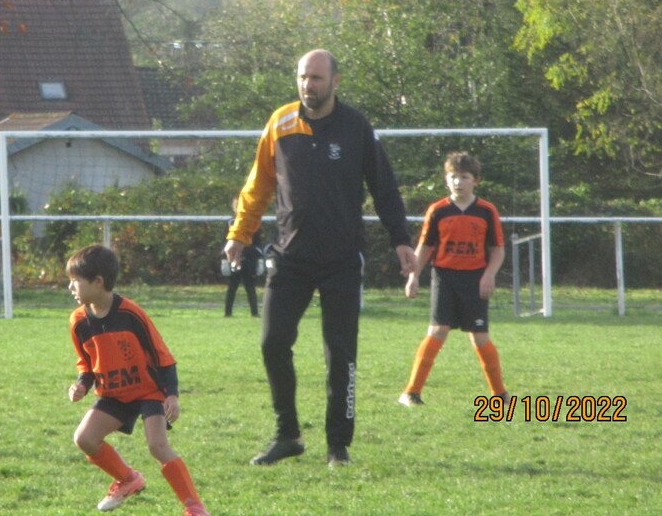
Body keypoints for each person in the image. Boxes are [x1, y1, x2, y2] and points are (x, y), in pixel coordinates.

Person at [223, 49, 415, 467]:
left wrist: (401, 239)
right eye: (302, 77)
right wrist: (240, 233)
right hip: (289, 257)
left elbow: (384, 187)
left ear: (335, 82)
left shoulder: (356, 127)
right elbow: (257, 187)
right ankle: (287, 435)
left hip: (341, 259)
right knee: (273, 342)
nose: (308, 85)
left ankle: (337, 446)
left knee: (340, 354)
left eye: (316, 78)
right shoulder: (280, 122)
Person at [66, 244, 210, 516]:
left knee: (158, 446)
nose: (71, 287)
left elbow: (162, 355)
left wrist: (171, 394)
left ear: (98, 282)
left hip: (148, 391)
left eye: (76, 280)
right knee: (85, 439)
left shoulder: (131, 313)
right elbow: (86, 363)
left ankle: (194, 508)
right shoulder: (78, 321)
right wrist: (82, 384)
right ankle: (128, 479)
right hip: (112, 394)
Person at [398, 152, 508, 407]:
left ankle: (500, 395)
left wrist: (489, 275)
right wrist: (414, 277)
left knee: (480, 335)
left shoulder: (486, 211)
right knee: (438, 330)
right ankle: (411, 392)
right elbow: (425, 247)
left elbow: (497, 249)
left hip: (475, 279)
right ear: (446, 180)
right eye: (453, 177)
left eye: (464, 177)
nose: (458, 182)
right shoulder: (437, 210)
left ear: (476, 180)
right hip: (444, 277)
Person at [223, 198, 261, 317]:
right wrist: (225, 259)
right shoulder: (230, 223)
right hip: (234, 258)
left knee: (250, 286)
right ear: (234, 208)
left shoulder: (254, 223)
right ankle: (228, 313)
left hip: (249, 259)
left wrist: (257, 257)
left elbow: (258, 243)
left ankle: (254, 312)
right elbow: (226, 242)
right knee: (232, 286)